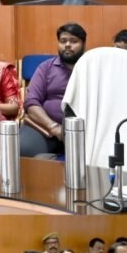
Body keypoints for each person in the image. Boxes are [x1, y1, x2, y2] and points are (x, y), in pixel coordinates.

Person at [19, 23, 85, 156]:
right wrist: (53, 127)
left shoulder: (91, 69)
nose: (67, 45)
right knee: (22, 148)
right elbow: (31, 102)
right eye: (63, 41)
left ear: (83, 44)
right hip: (47, 129)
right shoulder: (46, 68)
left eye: (73, 41)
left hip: (84, 131)